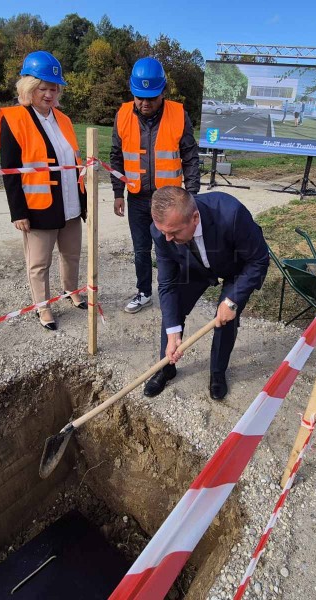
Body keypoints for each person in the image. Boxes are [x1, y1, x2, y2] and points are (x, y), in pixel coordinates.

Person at [143, 187, 269, 400]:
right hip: (195, 267)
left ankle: (217, 373)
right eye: (164, 231)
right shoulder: (162, 233)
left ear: (194, 218)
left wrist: (232, 300)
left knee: (225, 319)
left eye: (174, 233)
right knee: (172, 311)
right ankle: (166, 368)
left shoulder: (232, 214)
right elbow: (167, 284)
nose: (167, 238)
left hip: (234, 267)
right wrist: (173, 331)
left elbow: (258, 259)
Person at [0, 51, 87, 331]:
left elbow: (73, 159)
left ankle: (71, 290)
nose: (49, 94)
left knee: (72, 254)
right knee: (39, 263)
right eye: (43, 88)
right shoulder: (14, 118)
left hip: (71, 203)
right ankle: (42, 306)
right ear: (28, 87)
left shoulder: (64, 120)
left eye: (53, 88)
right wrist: (18, 212)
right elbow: (9, 171)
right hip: (39, 206)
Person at [110, 57, 201, 314]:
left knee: (175, 244)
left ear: (162, 91)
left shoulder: (178, 114)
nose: (145, 102)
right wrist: (118, 192)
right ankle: (144, 292)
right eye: (140, 96)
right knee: (141, 249)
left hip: (170, 198)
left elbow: (190, 157)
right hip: (137, 196)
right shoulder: (123, 114)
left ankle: (176, 291)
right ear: (132, 91)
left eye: (151, 96)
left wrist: (192, 195)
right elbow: (116, 156)